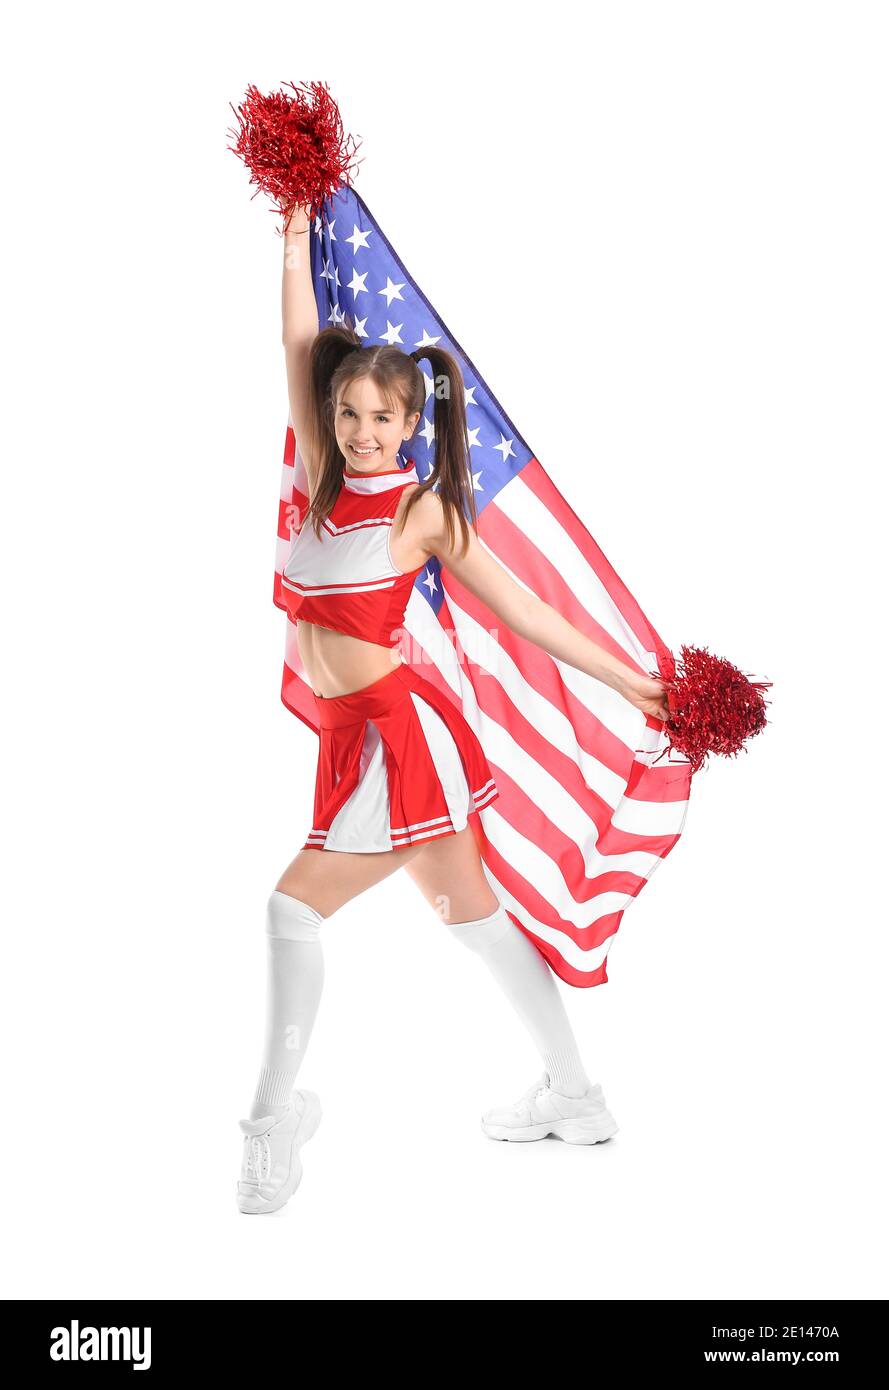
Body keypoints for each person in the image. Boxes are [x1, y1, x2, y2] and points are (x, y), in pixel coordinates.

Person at [236, 202, 671, 1215]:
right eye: (348, 414)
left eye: (380, 418)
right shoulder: (323, 476)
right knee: (468, 919)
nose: (360, 430)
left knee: (289, 909)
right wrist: (295, 223)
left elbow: (523, 612)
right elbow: (299, 339)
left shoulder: (418, 508)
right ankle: (575, 1094)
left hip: (397, 738)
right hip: (359, 737)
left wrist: (622, 679)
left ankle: (271, 1124)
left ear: (411, 423)